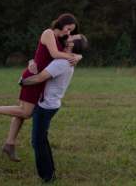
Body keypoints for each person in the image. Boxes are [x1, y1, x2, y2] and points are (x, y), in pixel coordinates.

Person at [0, 14, 82, 161]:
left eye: (71, 31)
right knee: (26, 112)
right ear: (62, 23)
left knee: (22, 112)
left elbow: (46, 56)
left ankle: (9, 144)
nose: (68, 33)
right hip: (34, 78)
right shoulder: (48, 33)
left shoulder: (60, 40)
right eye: (68, 28)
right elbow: (53, 54)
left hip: (42, 79)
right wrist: (75, 57)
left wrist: (77, 56)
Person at [21, 34, 89, 183]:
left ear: (71, 45)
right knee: (41, 139)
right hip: (51, 104)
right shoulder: (67, 60)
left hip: (46, 106)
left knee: (37, 141)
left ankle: (47, 176)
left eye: (72, 37)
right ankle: (49, 172)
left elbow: (40, 78)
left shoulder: (61, 62)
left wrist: (22, 81)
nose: (69, 36)